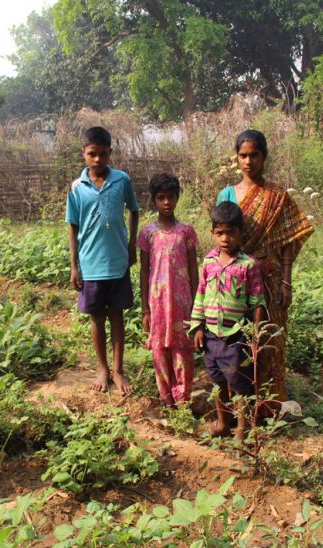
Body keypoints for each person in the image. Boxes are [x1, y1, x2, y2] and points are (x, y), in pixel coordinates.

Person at [216, 129, 313, 402]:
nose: (248, 161)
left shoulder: (277, 196)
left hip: (268, 280)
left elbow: (287, 243)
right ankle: (238, 404)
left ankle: (268, 404)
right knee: (234, 342)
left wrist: (285, 282)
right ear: (236, 158)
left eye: (254, 155)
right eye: (243, 155)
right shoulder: (226, 194)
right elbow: (220, 237)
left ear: (264, 156)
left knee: (268, 340)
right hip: (235, 280)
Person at [66, 126, 139, 395]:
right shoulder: (76, 187)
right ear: (84, 153)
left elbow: (134, 210)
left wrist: (131, 245)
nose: (98, 160)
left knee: (117, 317)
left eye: (103, 154)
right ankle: (102, 369)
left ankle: (118, 370)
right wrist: (74, 266)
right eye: (92, 154)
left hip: (118, 262)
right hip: (90, 265)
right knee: (97, 318)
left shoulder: (122, 180)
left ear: (110, 153)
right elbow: (73, 226)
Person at [191, 201, 266, 440]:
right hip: (212, 335)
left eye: (230, 233)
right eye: (219, 233)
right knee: (217, 383)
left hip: (235, 337)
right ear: (213, 233)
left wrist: (255, 336)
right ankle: (223, 423)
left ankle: (242, 430)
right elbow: (201, 294)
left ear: (240, 233)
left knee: (240, 385)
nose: (225, 239)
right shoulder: (209, 262)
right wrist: (198, 326)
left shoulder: (249, 265)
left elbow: (257, 303)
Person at [138, 173, 199, 406]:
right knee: (159, 350)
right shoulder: (147, 233)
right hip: (157, 303)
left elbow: (193, 269)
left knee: (182, 348)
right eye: (161, 197)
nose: (166, 202)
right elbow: (144, 271)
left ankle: (182, 399)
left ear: (177, 198)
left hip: (183, 302)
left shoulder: (187, 232)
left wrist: (197, 303)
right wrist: (145, 309)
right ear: (153, 200)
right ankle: (165, 399)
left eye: (171, 197)